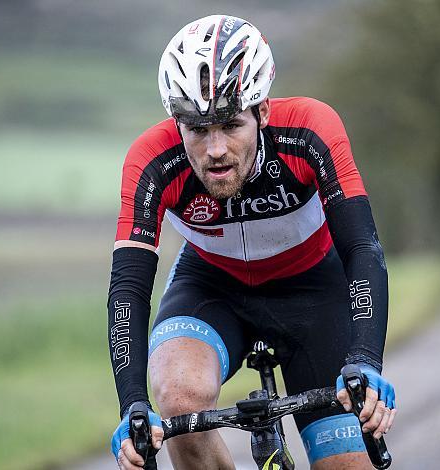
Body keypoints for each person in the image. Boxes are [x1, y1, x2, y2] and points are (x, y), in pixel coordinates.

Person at [108, 14, 397, 470]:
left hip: (314, 289)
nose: (215, 149)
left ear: (262, 111)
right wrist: (132, 404)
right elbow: (128, 287)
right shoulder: (153, 161)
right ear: (176, 123)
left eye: (230, 125)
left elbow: (362, 248)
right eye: (198, 129)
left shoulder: (308, 130)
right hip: (212, 287)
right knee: (179, 399)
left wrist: (365, 360)